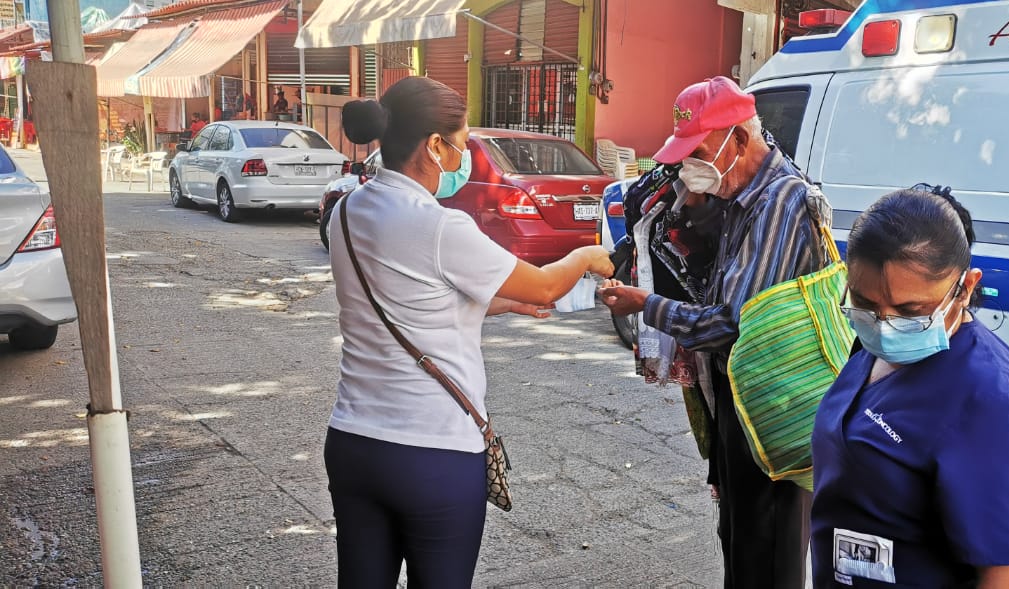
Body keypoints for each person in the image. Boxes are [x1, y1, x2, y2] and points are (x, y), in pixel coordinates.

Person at [325, 76, 614, 587]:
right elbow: (546, 286)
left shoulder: (347, 212)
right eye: (460, 147)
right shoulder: (440, 227)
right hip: (433, 453)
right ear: (433, 145)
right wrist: (587, 256)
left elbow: (410, 299)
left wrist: (496, 304)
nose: (463, 162)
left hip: (353, 442)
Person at [600, 76, 832, 588]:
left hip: (772, 403)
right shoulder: (739, 198)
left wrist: (649, 305)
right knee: (740, 535)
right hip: (740, 396)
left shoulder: (780, 201)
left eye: (697, 153)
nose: (688, 168)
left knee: (766, 549)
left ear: (741, 141)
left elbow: (734, 323)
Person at [809, 185, 1009, 588]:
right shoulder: (871, 348)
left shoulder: (988, 395)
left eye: (910, 311)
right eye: (865, 304)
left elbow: (1006, 572)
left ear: (966, 288)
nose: (884, 325)